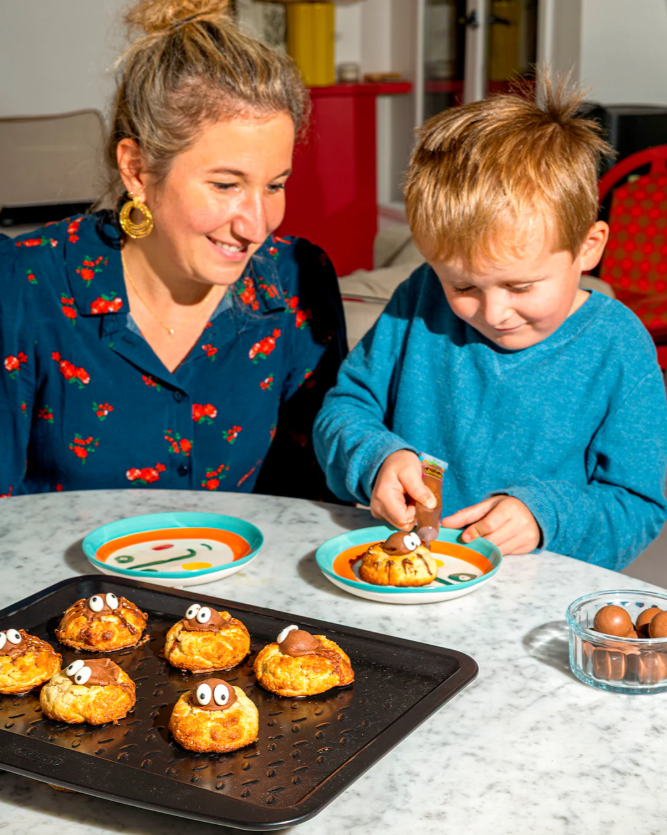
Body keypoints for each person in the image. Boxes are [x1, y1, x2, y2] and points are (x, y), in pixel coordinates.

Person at [314, 79, 667, 570]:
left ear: (589, 247)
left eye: (520, 287)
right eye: (462, 286)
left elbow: (637, 507)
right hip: (409, 576)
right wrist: (377, 459)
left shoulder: (619, 347)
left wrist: (545, 517)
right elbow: (344, 410)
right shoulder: (419, 297)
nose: (494, 313)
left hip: (539, 592)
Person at [0, 0, 346, 499]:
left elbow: (314, 501)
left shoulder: (297, 278)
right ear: (137, 170)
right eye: (226, 185)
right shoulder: (26, 285)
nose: (256, 227)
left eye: (275, 185)